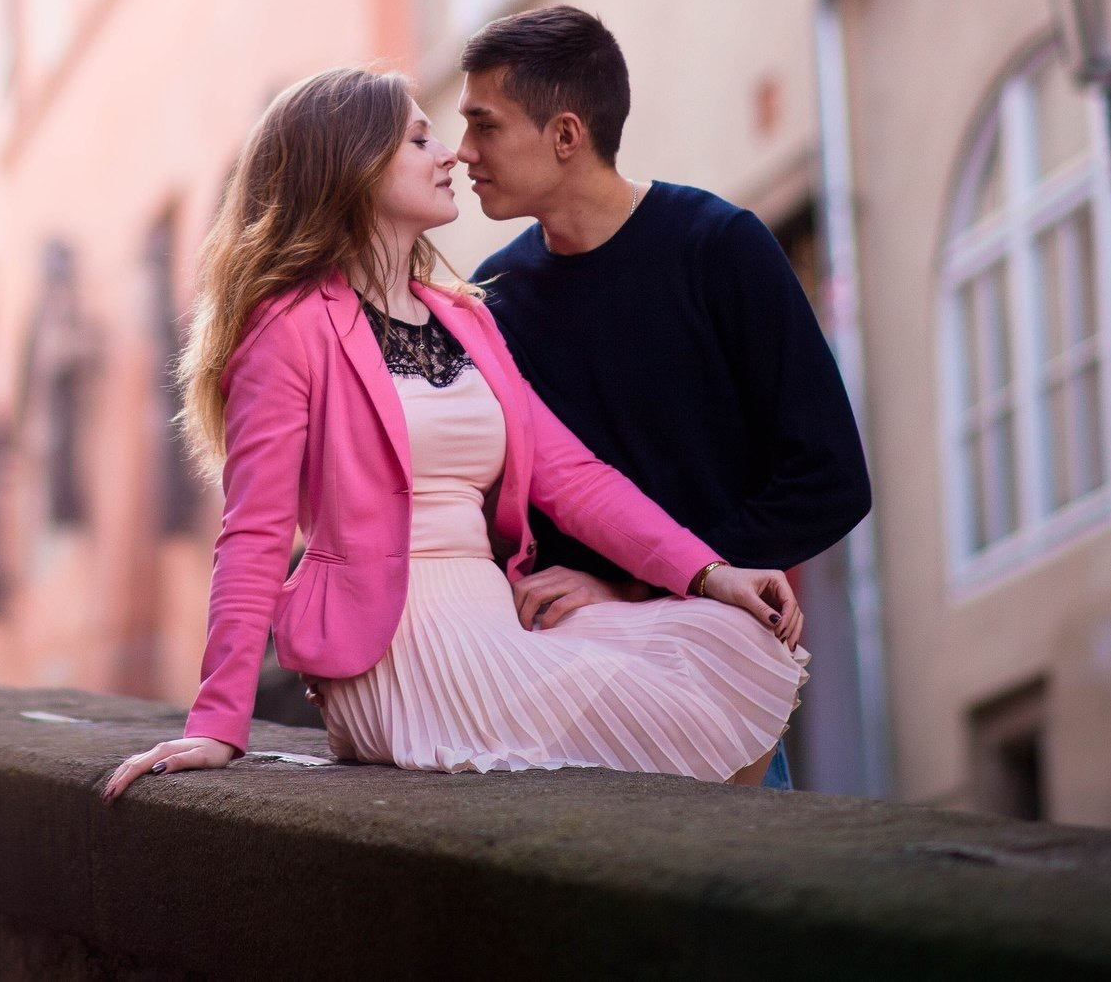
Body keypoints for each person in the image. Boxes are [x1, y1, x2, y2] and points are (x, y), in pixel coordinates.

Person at [105, 69, 805, 800]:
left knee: (728, 638)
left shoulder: (464, 316)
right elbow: (254, 531)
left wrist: (709, 572)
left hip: (494, 619)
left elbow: (570, 474)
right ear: (352, 163)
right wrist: (219, 721)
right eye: (418, 139)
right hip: (395, 644)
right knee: (674, 723)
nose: (451, 155)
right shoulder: (288, 328)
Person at [456, 6, 873, 791]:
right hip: (570, 700)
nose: (463, 152)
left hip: (714, 693)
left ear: (566, 135)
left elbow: (830, 477)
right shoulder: (498, 300)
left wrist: (639, 583)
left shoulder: (720, 248)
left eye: (485, 126)